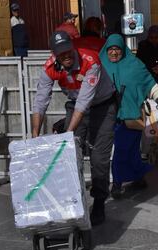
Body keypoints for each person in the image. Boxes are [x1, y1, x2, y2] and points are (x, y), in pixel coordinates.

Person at [32, 31, 117, 226]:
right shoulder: (49, 68)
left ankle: (99, 200)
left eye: (69, 51)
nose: (67, 56)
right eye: (61, 54)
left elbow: (84, 101)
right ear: (54, 54)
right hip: (75, 104)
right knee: (69, 156)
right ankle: (72, 201)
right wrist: (35, 134)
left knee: (99, 157)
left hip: (102, 106)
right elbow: (40, 100)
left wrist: (68, 133)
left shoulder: (90, 61)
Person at [99, 34, 158, 199]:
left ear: (123, 49)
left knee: (127, 149)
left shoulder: (135, 65)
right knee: (124, 151)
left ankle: (126, 180)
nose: (114, 53)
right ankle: (128, 179)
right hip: (106, 118)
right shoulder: (98, 66)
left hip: (130, 117)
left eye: (117, 49)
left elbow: (149, 83)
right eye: (111, 49)